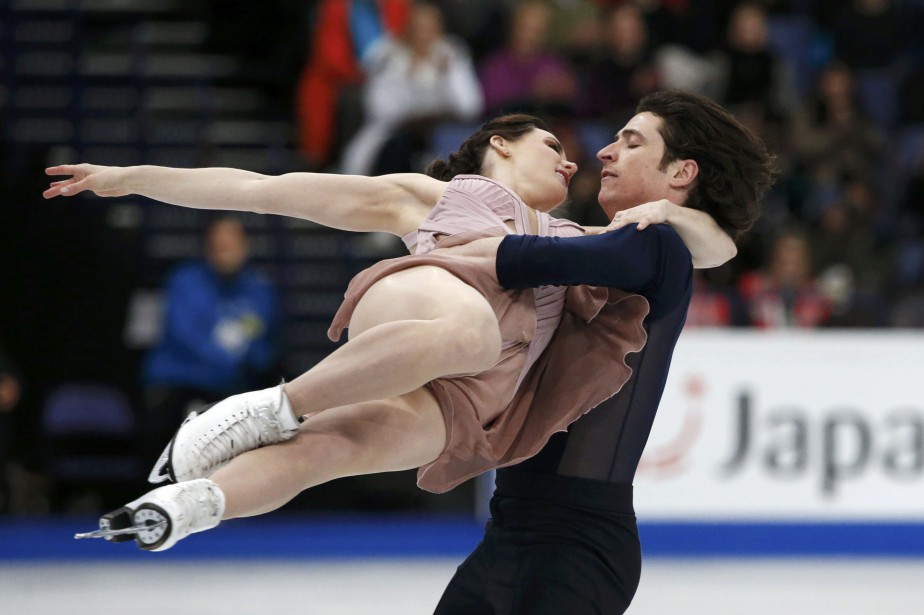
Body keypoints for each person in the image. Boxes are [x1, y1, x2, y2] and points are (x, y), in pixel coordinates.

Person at [46, 107, 737, 555]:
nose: (570, 161)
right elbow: (260, 189)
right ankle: (260, 410)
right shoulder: (436, 194)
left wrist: (669, 215)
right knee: (470, 333)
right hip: (423, 308)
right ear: (500, 143)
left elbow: (718, 250)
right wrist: (128, 176)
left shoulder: (580, 239)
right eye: (552, 145)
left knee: (333, 450)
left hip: (473, 393)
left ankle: (189, 506)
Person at [140, 216, 280, 467]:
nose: (225, 253)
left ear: (245, 246)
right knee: (167, 454)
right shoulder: (185, 280)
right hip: (180, 382)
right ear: (207, 247)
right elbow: (185, 334)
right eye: (219, 246)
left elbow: (261, 338)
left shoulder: (258, 285)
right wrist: (228, 360)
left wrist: (252, 360)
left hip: (232, 386)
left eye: (231, 245)